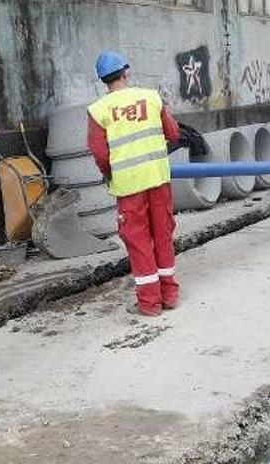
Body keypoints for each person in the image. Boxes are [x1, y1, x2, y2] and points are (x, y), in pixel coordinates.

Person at [87, 51, 182, 316]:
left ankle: (150, 304)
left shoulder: (98, 110)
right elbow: (174, 133)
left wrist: (110, 175)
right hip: (158, 180)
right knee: (163, 235)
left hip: (128, 187)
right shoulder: (151, 97)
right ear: (126, 72)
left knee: (138, 241)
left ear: (103, 81)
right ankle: (170, 294)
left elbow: (100, 154)